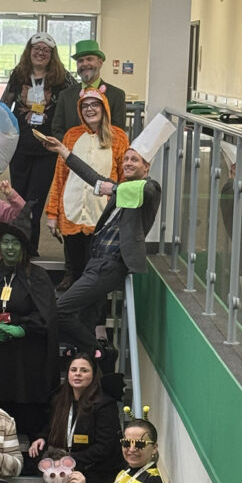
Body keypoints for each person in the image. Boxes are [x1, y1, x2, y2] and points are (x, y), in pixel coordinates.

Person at [42, 116, 172, 358]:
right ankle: (90, 357)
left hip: (110, 266)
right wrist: (62, 150)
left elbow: (146, 189)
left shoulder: (148, 189)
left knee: (59, 310)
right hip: (95, 261)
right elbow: (90, 175)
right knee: (86, 318)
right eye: (126, 159)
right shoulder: (122, 190)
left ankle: (96, 351)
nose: (128, 163)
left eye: (135, 160)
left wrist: (112, 188)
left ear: (147, 167)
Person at [0, 220, 58, 439]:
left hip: (27, 358)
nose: (9, 247)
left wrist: (23, 329)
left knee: (28, 402)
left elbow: (46, 315)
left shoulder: (38, 276)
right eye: (5, 242)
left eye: (15, 243)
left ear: (24, 247)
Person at [0, 32, 77, 255]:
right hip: (20, 147)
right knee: (18, 197)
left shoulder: (62, 79)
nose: (40, 53)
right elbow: (3, 107)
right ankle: (19, 248)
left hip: (47, 149)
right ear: (29, 51)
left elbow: (78, 97)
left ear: (52, 55)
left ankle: (30, 250)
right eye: (36, 49)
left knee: (35, 200)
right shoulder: (19, 75)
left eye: (45, 50)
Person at [45, 88, 128, 293]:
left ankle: (95, 323)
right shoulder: (71, 136)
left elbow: (124, 178)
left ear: (104, 108)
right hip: (71, 211)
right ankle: (74, 320)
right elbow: (59, 177)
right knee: (75, 269)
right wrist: (52, 213)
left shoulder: (118, 137)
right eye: (85, 106)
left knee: (96, 274)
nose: (89, 109)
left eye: (94, 104)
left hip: (101, 215)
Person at [28, 351, 123, 483]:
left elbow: (104, 447)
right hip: (62, 468)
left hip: (94, 472)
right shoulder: (59, 399)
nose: (77, 374)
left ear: (93, 375)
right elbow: (51, 426)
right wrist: (42, 438)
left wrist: (70, 460)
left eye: (84, 370)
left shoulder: (105, 404)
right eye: (73, 370)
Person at [50, 39, 127, 140]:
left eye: (89, 59)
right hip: (70, 153)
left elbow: (118, 132)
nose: (85, 64)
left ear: (100, 63)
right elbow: (57, 129)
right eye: (80, 61)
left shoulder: (116, 95)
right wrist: (72, 147)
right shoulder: (65, 95)